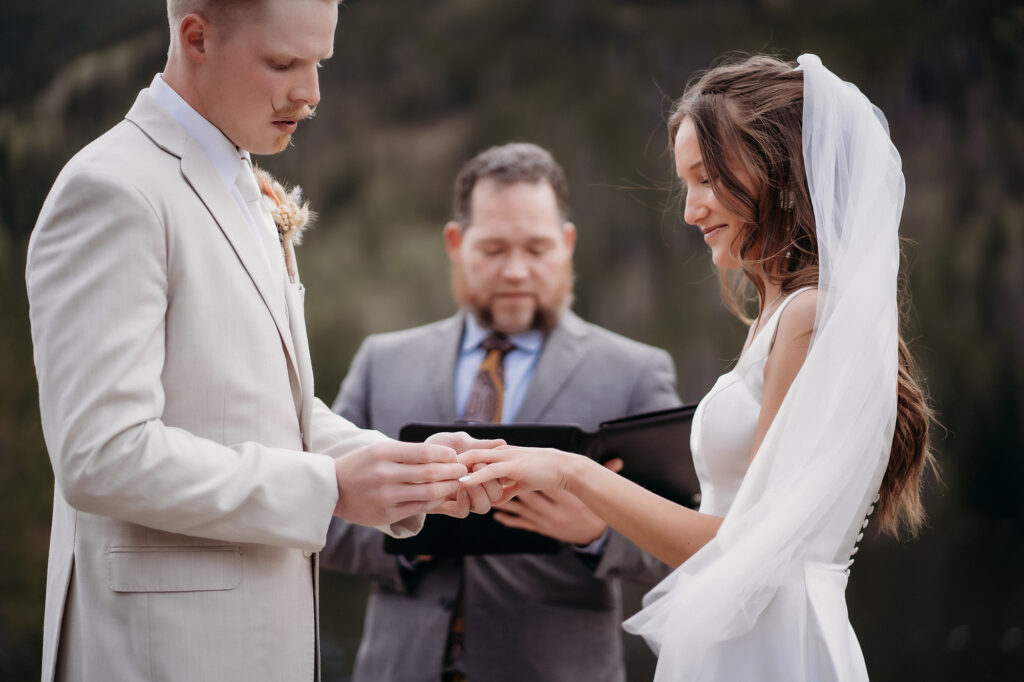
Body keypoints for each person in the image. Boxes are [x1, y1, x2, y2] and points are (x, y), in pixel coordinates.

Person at [25, 2, 499, 680]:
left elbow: (262, 405)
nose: (310, 95)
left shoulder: (240, 178)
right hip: (161, 653)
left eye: (318, 65)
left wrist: (397, 469)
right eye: (283, 64)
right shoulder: (114, 190)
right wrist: (330, 488)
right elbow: (101, 454)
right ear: (195, 37)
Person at [459, 54, 936, 680]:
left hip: (775, 648)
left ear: (780, 169)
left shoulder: (810, 317)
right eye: (687, 184)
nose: (691, 209)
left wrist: (572, 472)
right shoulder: (781, 317)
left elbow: (745, 548)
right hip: (742, 637)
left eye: (708, 179)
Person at [319, 142, 682, 682]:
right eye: (494, 249)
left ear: (567, 244)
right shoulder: (382, 362)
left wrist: (596, 532)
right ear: (456, 243)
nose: (516, 271)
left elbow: (683, 539)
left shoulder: (635, 372)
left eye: (536, 249)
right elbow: (322, 508)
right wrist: (407, 535)